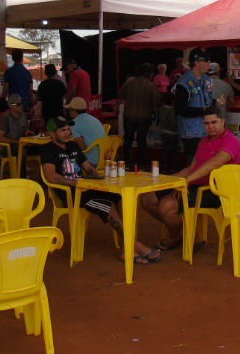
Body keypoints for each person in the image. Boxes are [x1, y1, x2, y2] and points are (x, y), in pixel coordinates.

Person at [40, 116, 161, 265]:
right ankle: (136, 245)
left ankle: (126, 249)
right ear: (52, 134)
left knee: (119, 196)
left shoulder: (73, 146)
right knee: (107, 205)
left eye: (68, 129)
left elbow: (88, 168)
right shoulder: (47, 150)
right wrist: (76, 184)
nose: (68, 132)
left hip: (86, 187)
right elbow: (52, 176)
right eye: (63, 130)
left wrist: (100, 179)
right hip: (71, 194)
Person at [140, 105, 240, 252]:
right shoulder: (203, 141)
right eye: (206, 123)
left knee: (166, 205)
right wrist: (164, 181)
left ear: (223, 121)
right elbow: (190, 168)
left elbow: (215, 163)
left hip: (215, 191)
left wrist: (185, 181)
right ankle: (179, 228)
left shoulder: (230, 140)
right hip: (193, 185)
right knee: (147, 199)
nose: (210, 126)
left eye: (214, 122)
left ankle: (175, 237)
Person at [173, 47, 214, 164]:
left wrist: (215, 102)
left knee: (205, 163)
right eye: (206, 60)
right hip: (191, 133)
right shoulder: (183, 83)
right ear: (197, 63)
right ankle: (193, 182)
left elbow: (206, 100)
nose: (209, 63)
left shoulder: (205, 80)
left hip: (205, 130)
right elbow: (180, 109)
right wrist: (203, 110)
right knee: (194, 166)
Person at [118, 62, 161, 170]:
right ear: (148, 73)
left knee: (128, 139)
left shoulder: (130, 81)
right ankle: (141, 164)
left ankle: (126, 162)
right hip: (144, 116)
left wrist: (116, 110)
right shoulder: (151, 85)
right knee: (142, 141)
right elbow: (156, 101)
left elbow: (120, 95)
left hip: (129, 115)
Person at [65, 96, 106, 166]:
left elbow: (81, 148)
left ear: (74, 111)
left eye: (69, 110)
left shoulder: (74, 123)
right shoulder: (93, 119)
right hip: (105, 158)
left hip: (92, 161)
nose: (69, 112)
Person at [0, 94, 32, 169]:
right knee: (22, 151)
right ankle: (21, 177)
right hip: (8, 147)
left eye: (21, 104)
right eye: (18, 105)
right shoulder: (6, 118)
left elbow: (25, 130)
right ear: (11, 106)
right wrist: (17, 142)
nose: (21, 106)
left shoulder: (23, 115)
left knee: (43, 148)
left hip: (21, 144)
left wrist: (28, 132)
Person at [157, 91, 180, 173]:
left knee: (165, 150)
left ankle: (164, 166)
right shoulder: (172, 111)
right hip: (172, 133)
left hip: (163, 132)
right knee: (174, 150)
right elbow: (173, 123)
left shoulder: (161, 108)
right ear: (172, 101)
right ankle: (175, 166)